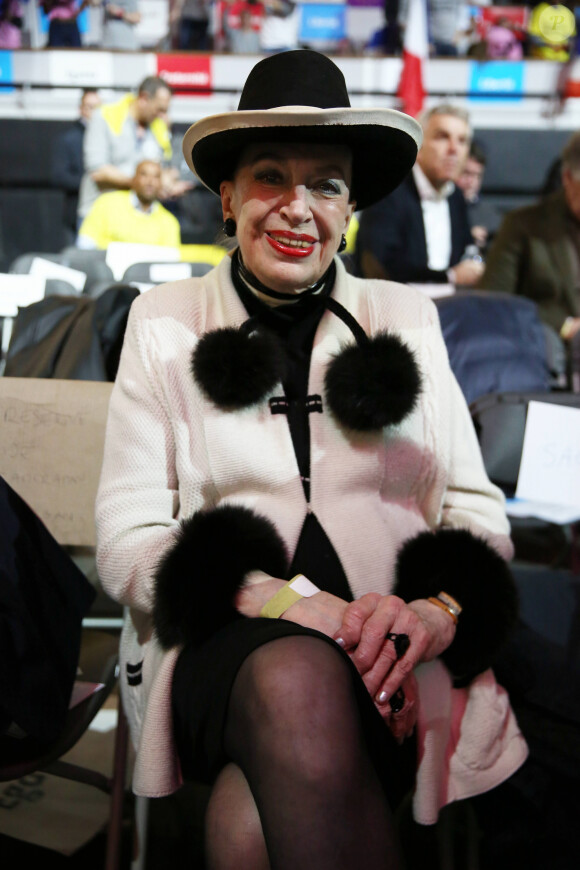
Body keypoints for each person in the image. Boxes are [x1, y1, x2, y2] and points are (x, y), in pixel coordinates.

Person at [96, 51, 527, 869]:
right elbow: (126, 537)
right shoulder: (162, 320)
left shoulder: (405, 316)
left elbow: (476, 514)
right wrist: (292, 603)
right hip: (227, 643)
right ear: (226, 197)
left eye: (326, 183)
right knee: (293, 676)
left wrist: (434, 613)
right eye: (270, 177)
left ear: (351, 205)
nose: (298, 208)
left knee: (245, 829)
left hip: (390, 654)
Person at [355, 104, 482, 287]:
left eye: (462, 141)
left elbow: (466, 252)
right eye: (442, 137)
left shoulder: (456, 197)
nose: (454, 149)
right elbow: (381, 265)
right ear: (419, 145)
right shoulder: (389, 192)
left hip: (451, 307)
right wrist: (450, 277)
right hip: (394, 305)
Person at [479, 130, 580, 341]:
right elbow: (493, 300)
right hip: (548, 346)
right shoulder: (522, 226)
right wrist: (564, 325)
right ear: (568, 179)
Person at [78, 76, 189, 224]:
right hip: (100, 216)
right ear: (143, 98)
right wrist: (145, 184)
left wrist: (167, 180)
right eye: (159, 109)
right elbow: (98, 171)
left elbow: (161, 167)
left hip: (139, 219)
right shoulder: (104, 116)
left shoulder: (158, 127)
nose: (163, 115)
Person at [77, 159, 181, 249]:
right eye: (144, 175)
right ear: (133, 179)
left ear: (160, 183)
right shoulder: (106, 203)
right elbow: (85, 244)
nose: (150, 182)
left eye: (156, 177)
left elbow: (170, 261)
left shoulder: (169, 223)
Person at [51, 88, 101, 244]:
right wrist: (92, 182)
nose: (95, 112)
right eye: (90, 107)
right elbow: (59, 176)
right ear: (81, 109)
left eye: (98, 107)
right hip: (76, 212)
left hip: (105, 212)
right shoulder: (69, 139)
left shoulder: (109, 137)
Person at [456, 139, 503, 253]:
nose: (471, 182)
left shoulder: (493, 217)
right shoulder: (438, 209)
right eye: (466, 173)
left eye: (477, 175)